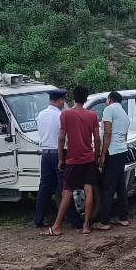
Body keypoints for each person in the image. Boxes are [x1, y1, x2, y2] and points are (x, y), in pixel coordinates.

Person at [44, 86, 110, 236]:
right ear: (86, 99)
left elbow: (61, 138)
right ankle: (86, 225)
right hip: (88, 158)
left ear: (73, 98)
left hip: (73, 160)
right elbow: (97, 138)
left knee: (67, 192)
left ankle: (56, 227)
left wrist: (61, 158)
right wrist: (97, 155)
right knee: (88, 190)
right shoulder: (92, 115)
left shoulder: (66, 114)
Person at [33, 89, 80, 229]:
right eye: (63, 101)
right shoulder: (61, 116)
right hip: (59, 153)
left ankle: (38, 218)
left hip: (45, 153)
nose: (64, 103)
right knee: (65, 187)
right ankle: (74, 219)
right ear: (60, 100)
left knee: (44, 188)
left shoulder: (40, 115)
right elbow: (64, 137)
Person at [98, 91, 131, 228]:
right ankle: (123, 217)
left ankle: (104, 221)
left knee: (108, 187)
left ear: (109, 99)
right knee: (120, 186)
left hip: (112, 151)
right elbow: (124, 135)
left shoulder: (108, 109)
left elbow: (107, 132)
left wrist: (103, 153)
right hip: (122, 151)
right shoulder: (124, 114)